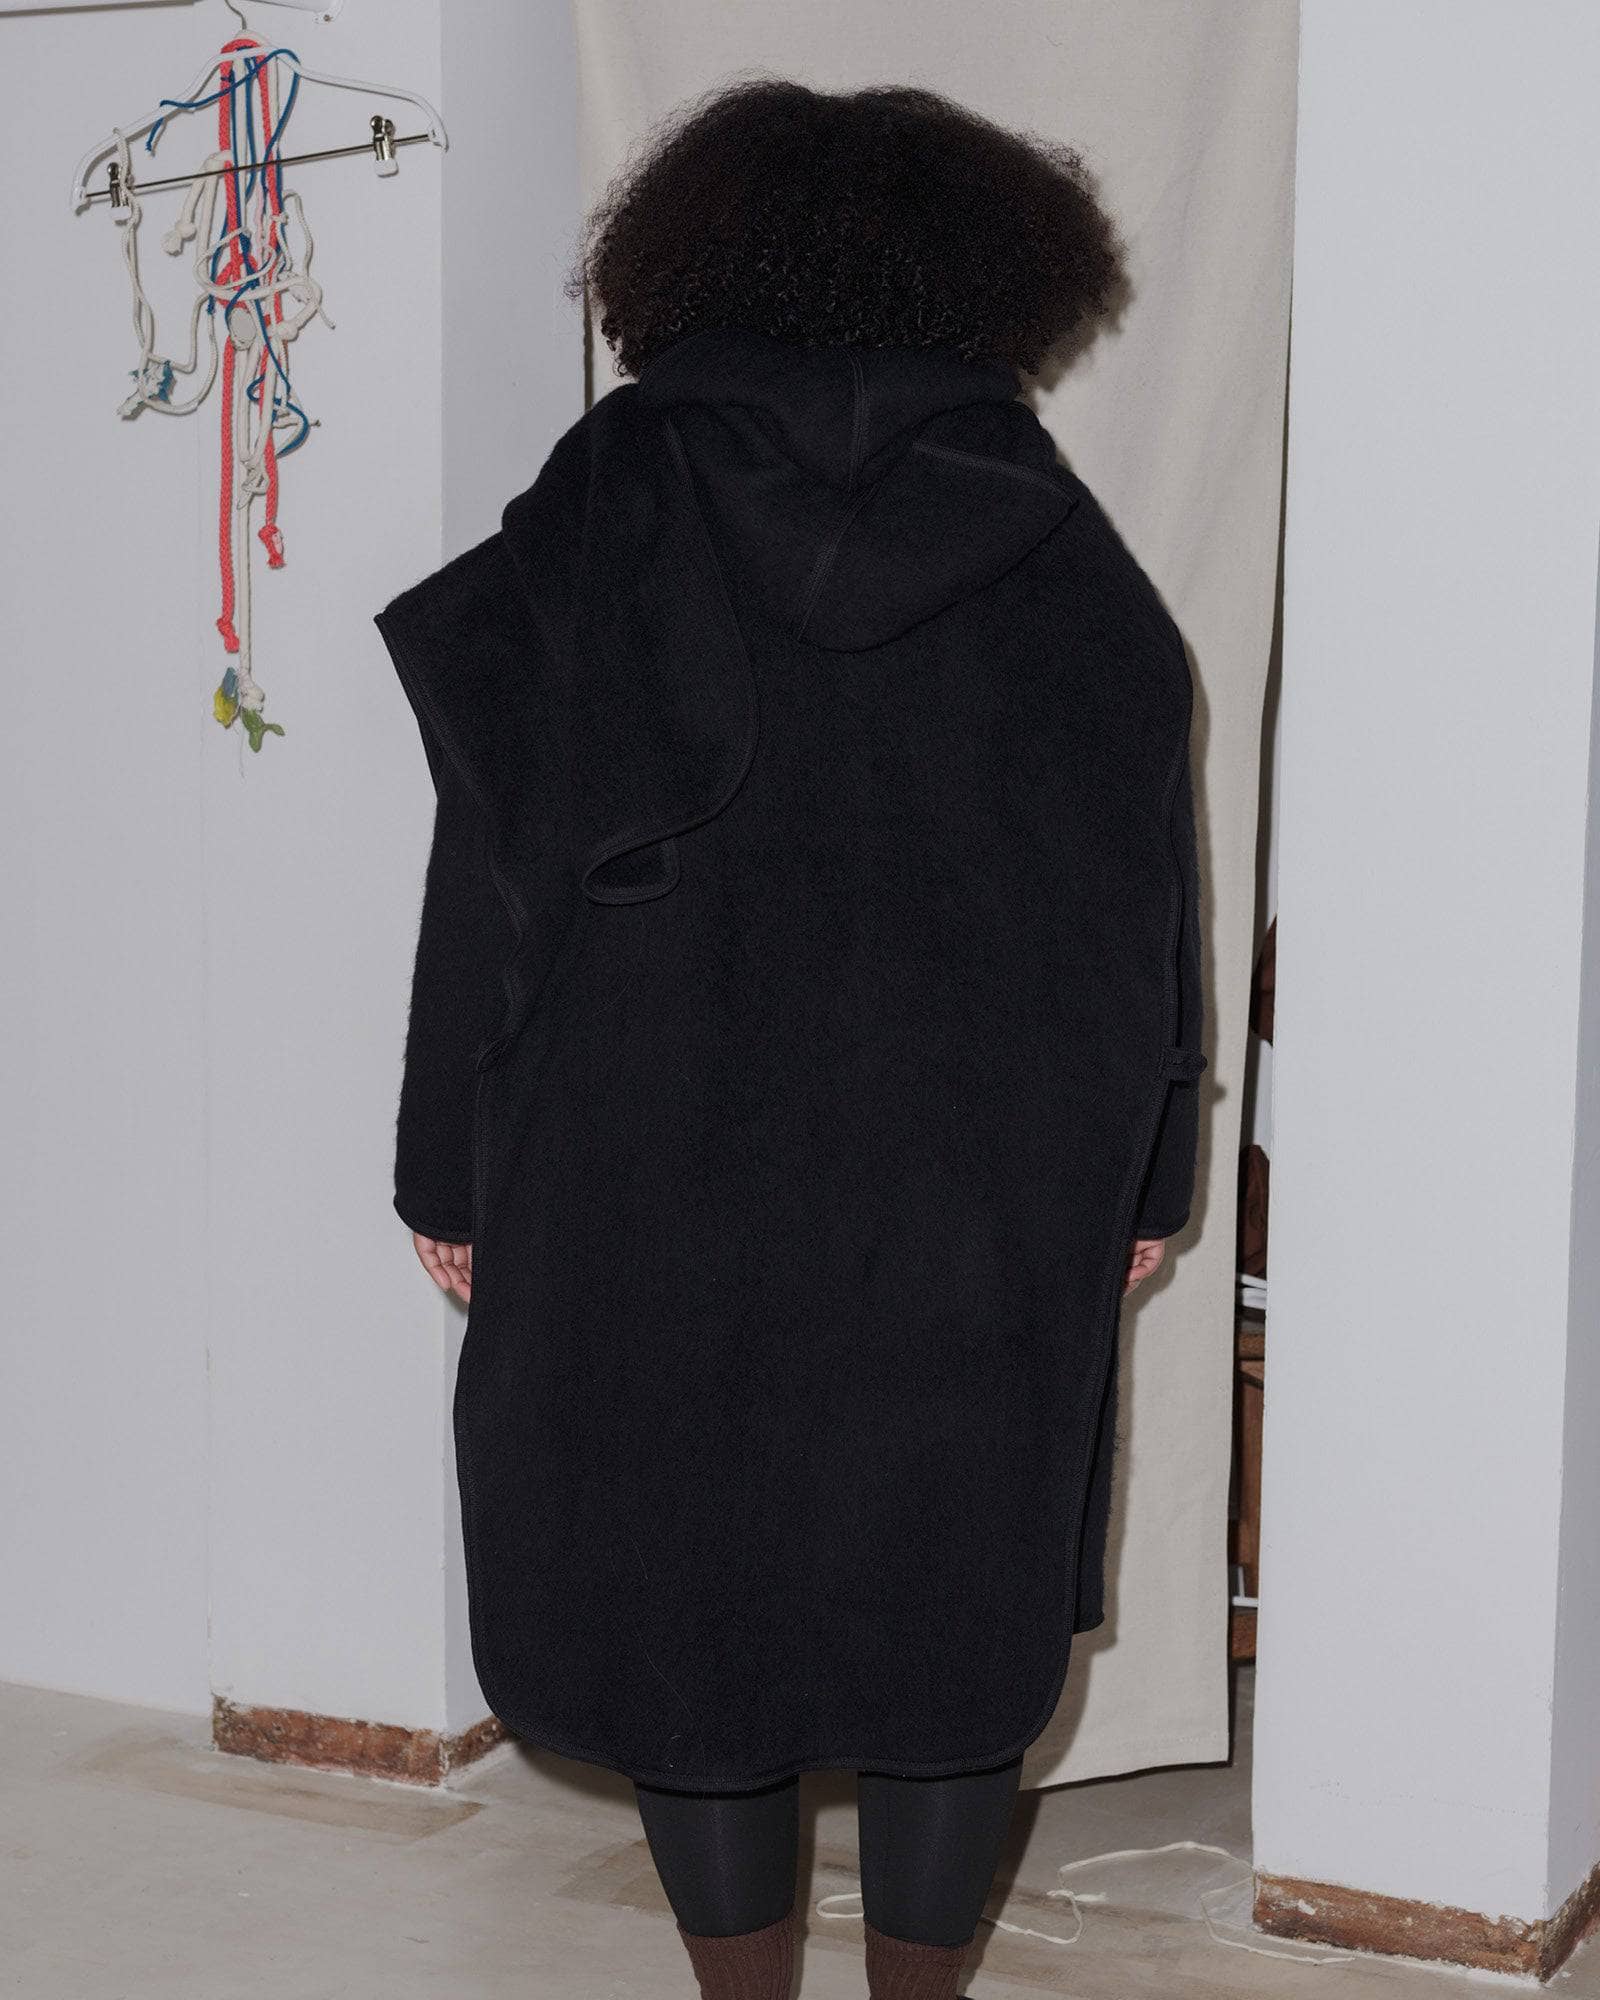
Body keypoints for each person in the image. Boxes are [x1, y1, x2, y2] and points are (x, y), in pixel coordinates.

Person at [375, 78, 1204, 2000]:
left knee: (684, 1592)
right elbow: (1138, 888)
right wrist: (1147, 1175)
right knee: (949, 1596)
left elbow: (488, 869)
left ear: (691, 263)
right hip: (976, 1165)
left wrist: (445, 1169)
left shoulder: (603, 506)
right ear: (984, 278)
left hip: (637, 1139)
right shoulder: (1052, 536)